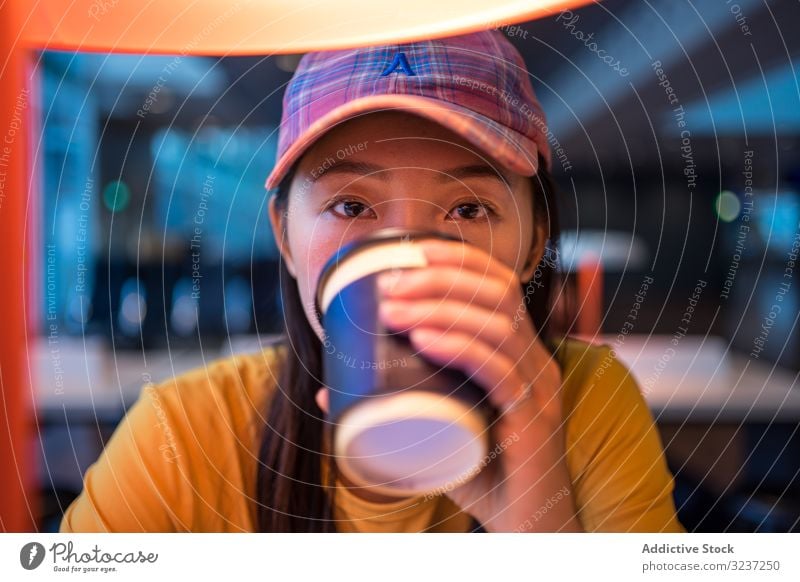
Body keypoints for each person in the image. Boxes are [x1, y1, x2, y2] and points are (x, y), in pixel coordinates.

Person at [60, 30, 685, 533]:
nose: (408, 252)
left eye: (469, 209)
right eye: (352, 206)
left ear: (533, 245)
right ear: (287, 239)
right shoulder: (184, 434)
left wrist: (534, 512)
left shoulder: (587, 405)